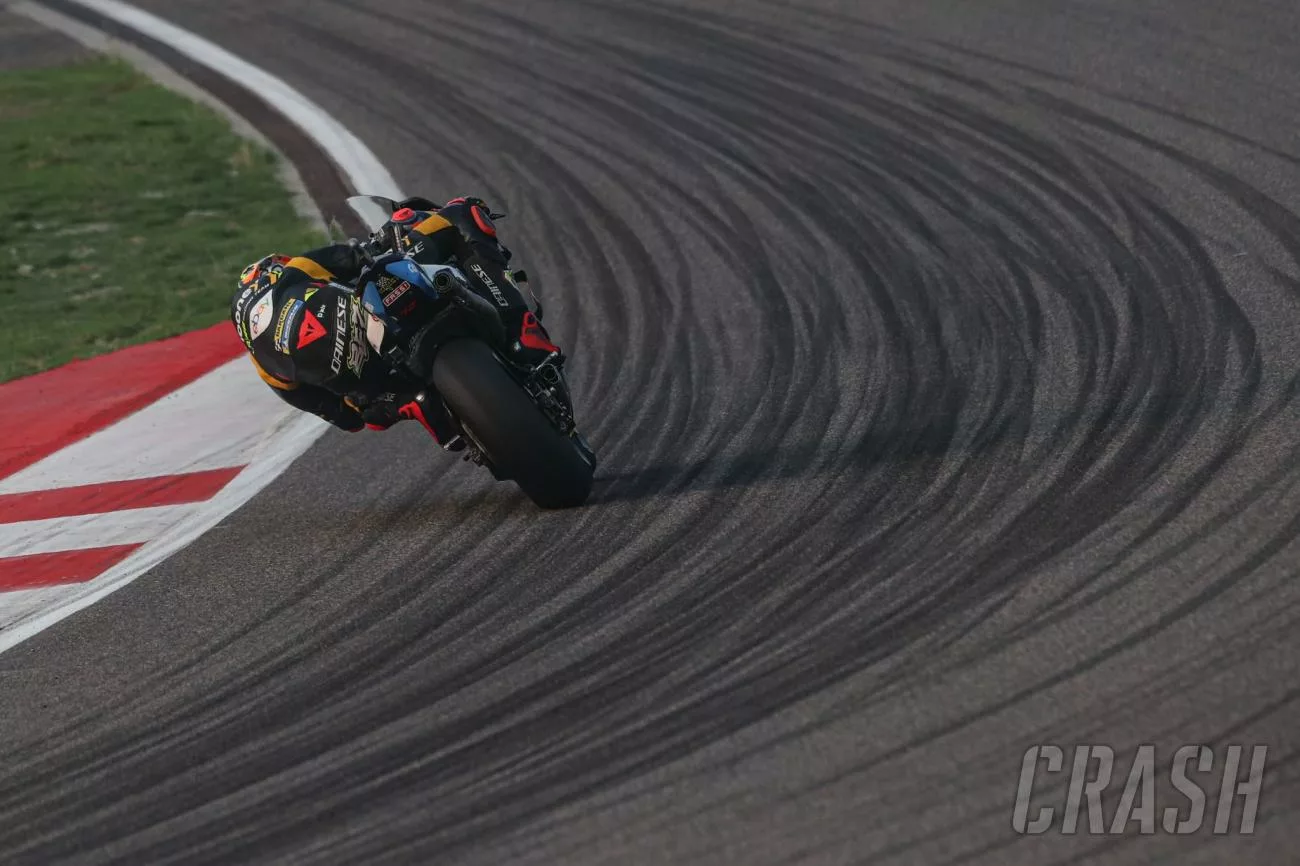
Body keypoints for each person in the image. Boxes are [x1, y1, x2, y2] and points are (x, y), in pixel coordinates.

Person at [229, 196, 559, 447]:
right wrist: (386, 238)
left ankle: (420, 406)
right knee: (461, 213)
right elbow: (355, 257)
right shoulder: (292, 273)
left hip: (380, 384)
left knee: (376, 410)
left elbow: (346, 420)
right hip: (383, 333)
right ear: (270, 273)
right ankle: (521, 327)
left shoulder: (268, 368)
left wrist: (375, 403)